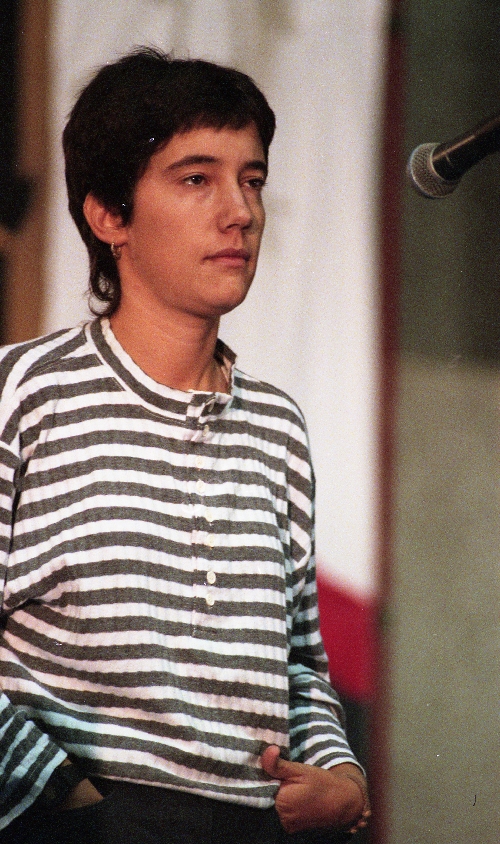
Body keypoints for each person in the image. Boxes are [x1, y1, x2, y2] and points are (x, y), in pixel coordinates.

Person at [0, 48, 370, 844]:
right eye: (197, 178)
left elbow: (299, 664)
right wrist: (68, 803)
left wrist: (342, 776)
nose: (240, 211)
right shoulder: (21, 392)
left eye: (253, 179)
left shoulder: (277, 426)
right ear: (109, 215)